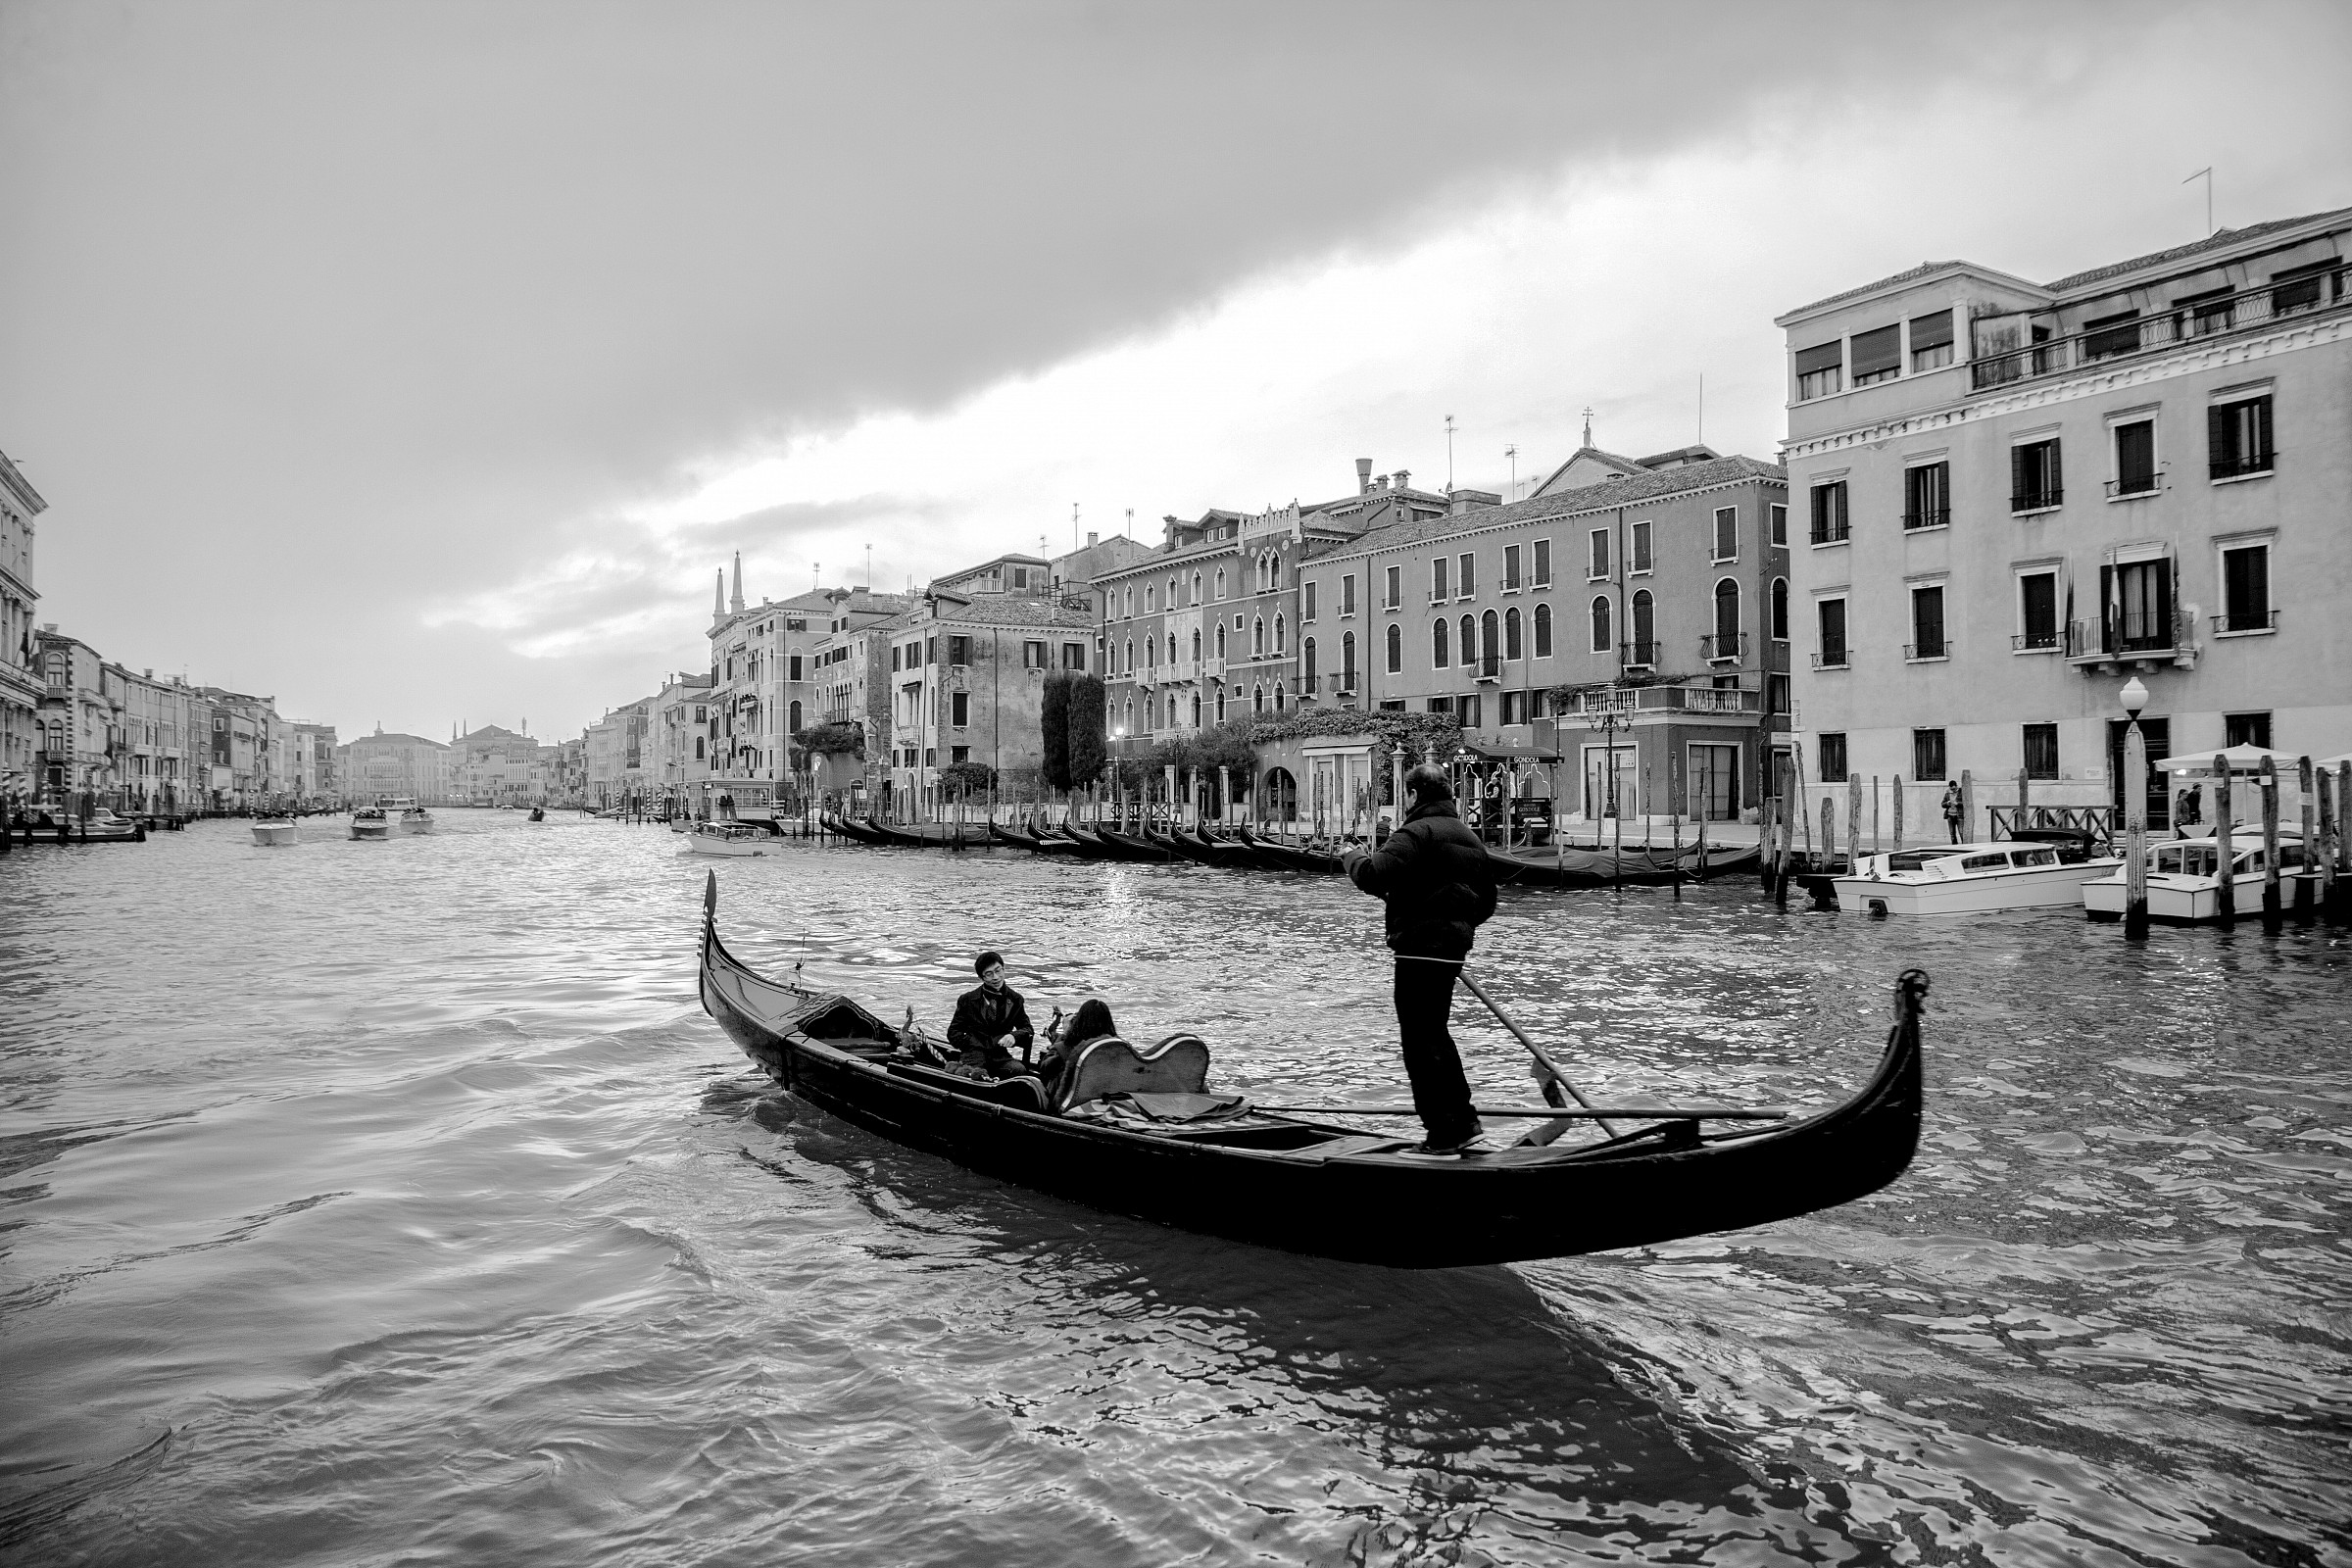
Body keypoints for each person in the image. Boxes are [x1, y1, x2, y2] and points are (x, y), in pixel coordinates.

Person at [1340, 763, 1498, 1155]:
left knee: (1419, 1041)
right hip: (1452, 950)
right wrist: (1453, 925)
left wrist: (1352, 857)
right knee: (1435, 1034)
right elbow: (1486, 904)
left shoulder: (1414, 832)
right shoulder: (1470, 837)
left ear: (1412, 795)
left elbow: (1374, 875)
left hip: (1417, 947)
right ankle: (1465, 1123)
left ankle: (1442, 1135)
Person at [947, 951, 1035, 1079]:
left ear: (1004, 969)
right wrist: (972, 1044)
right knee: (976, 1077)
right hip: (973, 1056)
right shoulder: (967, 1000)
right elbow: (953, 1033)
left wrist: (1013, 1036)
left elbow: (1028, 1029)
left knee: (1018, 1071)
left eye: (998, 971)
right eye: (989, 974)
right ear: (982, 977)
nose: (996, 977)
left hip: (1000, 1057)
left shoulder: (1016, 999)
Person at [1038, 998, 1117, 1093]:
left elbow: (1045, 1068)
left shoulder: (1072, 1048)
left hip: (1074, 1098)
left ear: (1080, 1021)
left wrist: (1065, 1035)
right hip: (1108, 1094)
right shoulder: (1119, 1046)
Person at [1940, 780, 1964, 844]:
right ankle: (1954, 845)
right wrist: (1947, 803)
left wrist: (1958, 803)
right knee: (1952, 833)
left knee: (1961, 832)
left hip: (1959, 815)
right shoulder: (1947, 794)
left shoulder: (1961, 792)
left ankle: (1964, 845)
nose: (1953, 790)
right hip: (1950, 815)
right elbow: (1942, 804)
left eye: (1954, 789)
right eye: (1951, 789)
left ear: (1956, 786)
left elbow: (1965, 803)